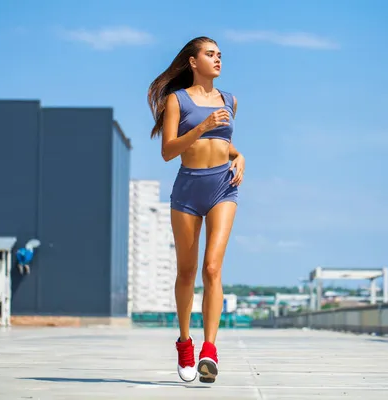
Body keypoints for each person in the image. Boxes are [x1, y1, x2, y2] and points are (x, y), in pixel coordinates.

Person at [147, 36, 245, 384]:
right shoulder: (178, 100)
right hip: (188, 189)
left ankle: (210, 350)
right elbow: (168, 151)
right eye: (210, 54)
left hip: (223, 187)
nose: (217, 59)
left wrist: (239, 156)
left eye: (219, 54)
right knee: (187, 272)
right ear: (193, 61)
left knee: (213, 267)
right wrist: (201, 127)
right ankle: (185, 342)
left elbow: (223, 143)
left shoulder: (229, 100)